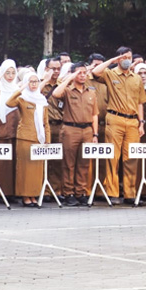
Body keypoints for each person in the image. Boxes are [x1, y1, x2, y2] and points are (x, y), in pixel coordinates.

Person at [90, 49, 146, 205]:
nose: (127, 60)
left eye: (129, 57)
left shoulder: (136, 78)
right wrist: (113, 59)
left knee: (131, 158)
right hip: (115, 118)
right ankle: (112, 193)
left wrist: (141, 122)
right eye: (124, 57)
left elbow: (140, 102)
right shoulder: (111, 74)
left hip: (133, 121)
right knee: (112, 157)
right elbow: (95, 71)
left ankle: (130, 194)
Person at [51, 63, 99, 206]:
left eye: (84, 72)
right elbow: (55, 94)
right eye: (79, 73)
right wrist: (70, 77)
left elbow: (94, 114)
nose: (83, 75)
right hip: (70, 129)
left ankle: (80, 192)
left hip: (87, 130)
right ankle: (68, 193)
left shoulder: (91, 92)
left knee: (84, 163)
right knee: (68, 163)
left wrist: (95, 134)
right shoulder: (67, 90)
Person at [6, 72, 51, 206]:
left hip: (40, 138)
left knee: (37, 169)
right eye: (30, 81)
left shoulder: (41, 99)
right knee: (25, 168)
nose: (33, 84)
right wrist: (20, 89)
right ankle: (25, 196)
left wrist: (47, 139)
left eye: (36, 81)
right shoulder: (22, 98)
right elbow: (9, 103)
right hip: (25, 137)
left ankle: (34, 195)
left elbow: (45, 122)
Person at [0, 60, 20, 197]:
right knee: (0, 163)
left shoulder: (18, 89)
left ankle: (11, 193)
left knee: (13, 162)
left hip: (15, 130)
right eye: (7, 72)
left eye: (13, 72)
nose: (10, 76)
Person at [40, 58, 64, 198]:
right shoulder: (40, 84)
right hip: (45, 126)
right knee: (44, 160)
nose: (56, 71)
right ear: (46, 69)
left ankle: (56, 190)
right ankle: (44, 189)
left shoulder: (62, 85)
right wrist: (44, 79)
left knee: (57, 160)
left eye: (58, 69)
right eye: (52, 68)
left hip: (60, 125)